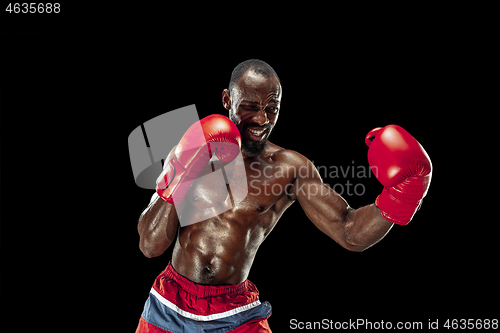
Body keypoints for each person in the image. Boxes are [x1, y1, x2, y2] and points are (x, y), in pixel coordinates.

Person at [135, 59, 432, 332]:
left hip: (234, 312)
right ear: (227, 99)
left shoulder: (290, 168)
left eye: (272, 108)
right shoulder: (191, 147)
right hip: (168, 304)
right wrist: (179, 175)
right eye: (250, 106)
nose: (262, 119)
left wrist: (401, 195)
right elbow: (150, 245)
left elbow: (349, 231)